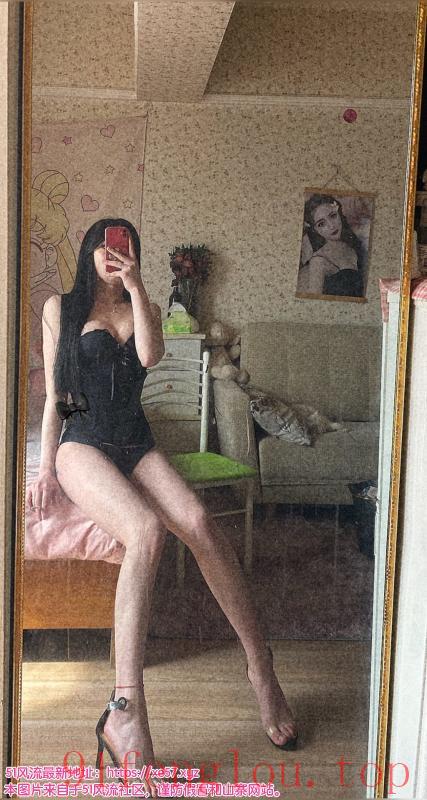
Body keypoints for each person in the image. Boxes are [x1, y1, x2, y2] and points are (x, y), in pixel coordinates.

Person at [26, 217, 298, 795]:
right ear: (89, 250)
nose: (113, 253)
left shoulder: (140, 304)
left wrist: (137, 287)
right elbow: (57, 397)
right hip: (82, 443)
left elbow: (150, 356)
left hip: (137, 440)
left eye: (124, 246)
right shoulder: (60, 308)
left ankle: (260, 665)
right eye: (106, 245)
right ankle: (126, 709)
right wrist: (46, 468)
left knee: (199, 521)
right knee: (146, 530)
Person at [297, 194, 365, 297]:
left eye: (333, 216)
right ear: (316, 230)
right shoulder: (318, 261)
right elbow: (313, 302)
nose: (331, 226)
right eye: (321, 224)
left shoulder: (353, 244)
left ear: (339, 214)